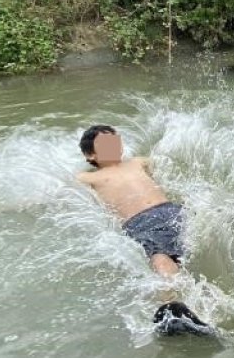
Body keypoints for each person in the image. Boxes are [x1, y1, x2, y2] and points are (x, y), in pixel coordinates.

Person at [76, 124, 213, 336]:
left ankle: (198, 310)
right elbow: (62, 192)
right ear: (90, 154)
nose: (114, 146)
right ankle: (172, 308)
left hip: (173, 211)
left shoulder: (138, 162)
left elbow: (165, 165)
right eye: (106, 144)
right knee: (161, 259)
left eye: (115, 140)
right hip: (141, 221)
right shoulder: (89, 177)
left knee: (191, 251)